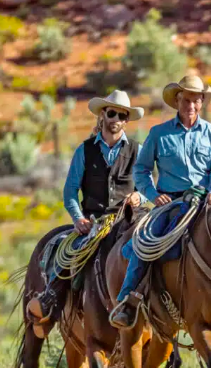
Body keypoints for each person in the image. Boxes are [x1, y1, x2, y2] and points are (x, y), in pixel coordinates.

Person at [109, 73, 211, 330]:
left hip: (205, 203)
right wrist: (154, 196)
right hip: (170, 203)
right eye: (186, 100)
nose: (191, 105)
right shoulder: (159, 134)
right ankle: (127, 301)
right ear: (177, 101)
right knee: (145, 243)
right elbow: (141, 170)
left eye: (196, 100)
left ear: (202, 102)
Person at [27, 89, 144, 334]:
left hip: (129, 219)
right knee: (70, 252)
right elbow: (70, 192)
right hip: (95, 222)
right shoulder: (85, 150)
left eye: (122, 115)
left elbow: (147, 186)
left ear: (126, 120)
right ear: (103, 115)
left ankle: (162, 311)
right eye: (112, 113)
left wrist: (139, 195)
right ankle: (52, 300)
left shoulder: (137, 150)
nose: (116, 119)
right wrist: (78, 218)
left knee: (151, 251)